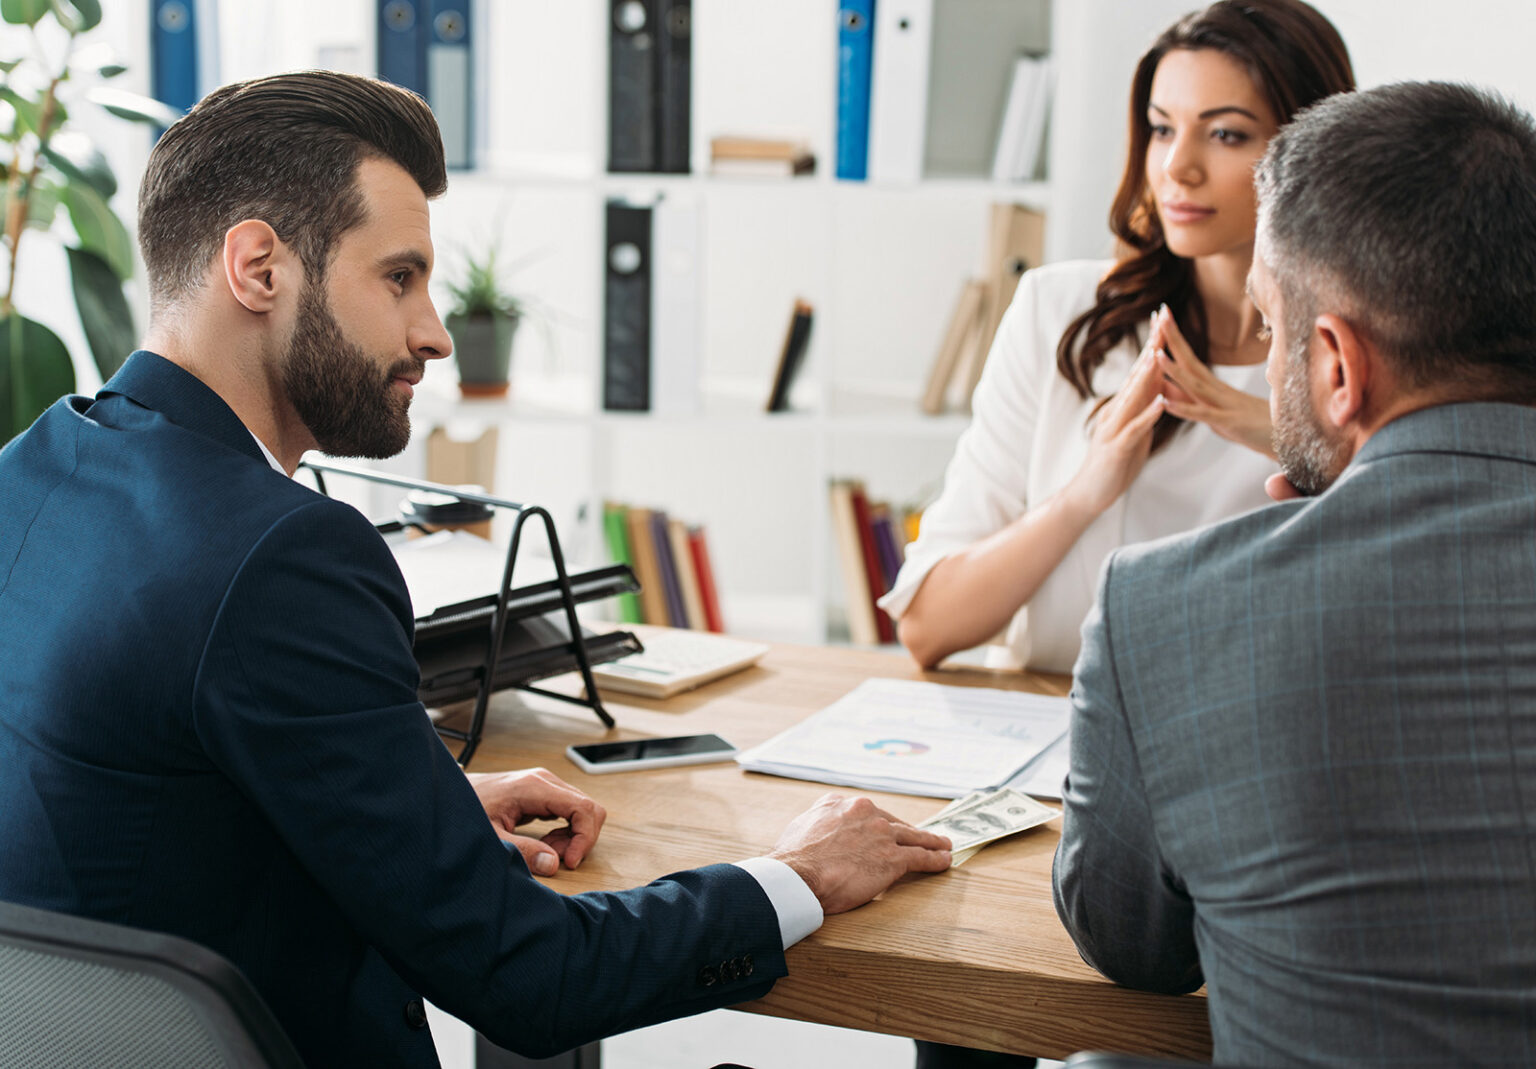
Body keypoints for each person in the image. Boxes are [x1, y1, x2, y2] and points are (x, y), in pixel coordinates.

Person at [0, 71, 952, 1068]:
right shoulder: (285, 555)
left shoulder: (33, 467)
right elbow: (532, 976)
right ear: (259, 268)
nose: (436, 334)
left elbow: (120, 792)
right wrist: (796, 875)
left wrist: (418, 798)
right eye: (398, 278)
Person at [1053, 80, 1536, 1066]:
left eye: (1270, 331)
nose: (1268, 367)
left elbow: (1132, 945)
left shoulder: (1167, 607)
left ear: (1337, 367)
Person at [883, 0, 1354, 674]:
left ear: (1312, 151)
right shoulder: (1061, 313)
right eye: (1162, 129)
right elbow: (928, 625)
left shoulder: (1358, 347)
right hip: (1052, 719)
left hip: (1252, 729)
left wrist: (1281, 433)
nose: (1177, 168)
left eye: (1225, 134)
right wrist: (1084, 492)